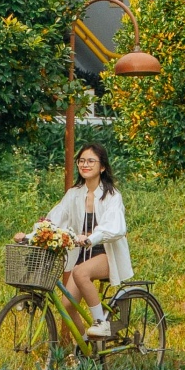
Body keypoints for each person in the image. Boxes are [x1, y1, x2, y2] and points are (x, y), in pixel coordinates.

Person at [42, 142, 132, 338]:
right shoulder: (74, 194)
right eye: (81, 161)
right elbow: (54, 219)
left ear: (102, 167)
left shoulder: (112, 196)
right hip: (82, 255)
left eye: (91, 161)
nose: (85, 164)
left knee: (80, 272)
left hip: (106, 254)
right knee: (67, 305)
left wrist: (91, 238)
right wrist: (33, 235)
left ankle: (101, 322)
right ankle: (85, 345)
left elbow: (115, 227)